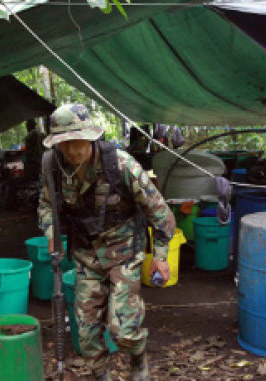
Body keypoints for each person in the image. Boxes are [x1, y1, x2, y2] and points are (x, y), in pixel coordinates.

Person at [38, 104, 175, 381]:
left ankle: (138, 361)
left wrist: (160, 256)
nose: (73, 151)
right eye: (65, 144)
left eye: (79, 143)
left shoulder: (121, 164)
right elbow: (45, 205)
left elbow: (160, 213)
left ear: (91, 138)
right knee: (86, 334)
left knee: (122, 329)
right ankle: (102, 375)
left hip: (124, 250)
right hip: (86, 254)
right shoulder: (52, 165)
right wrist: (52, 233)